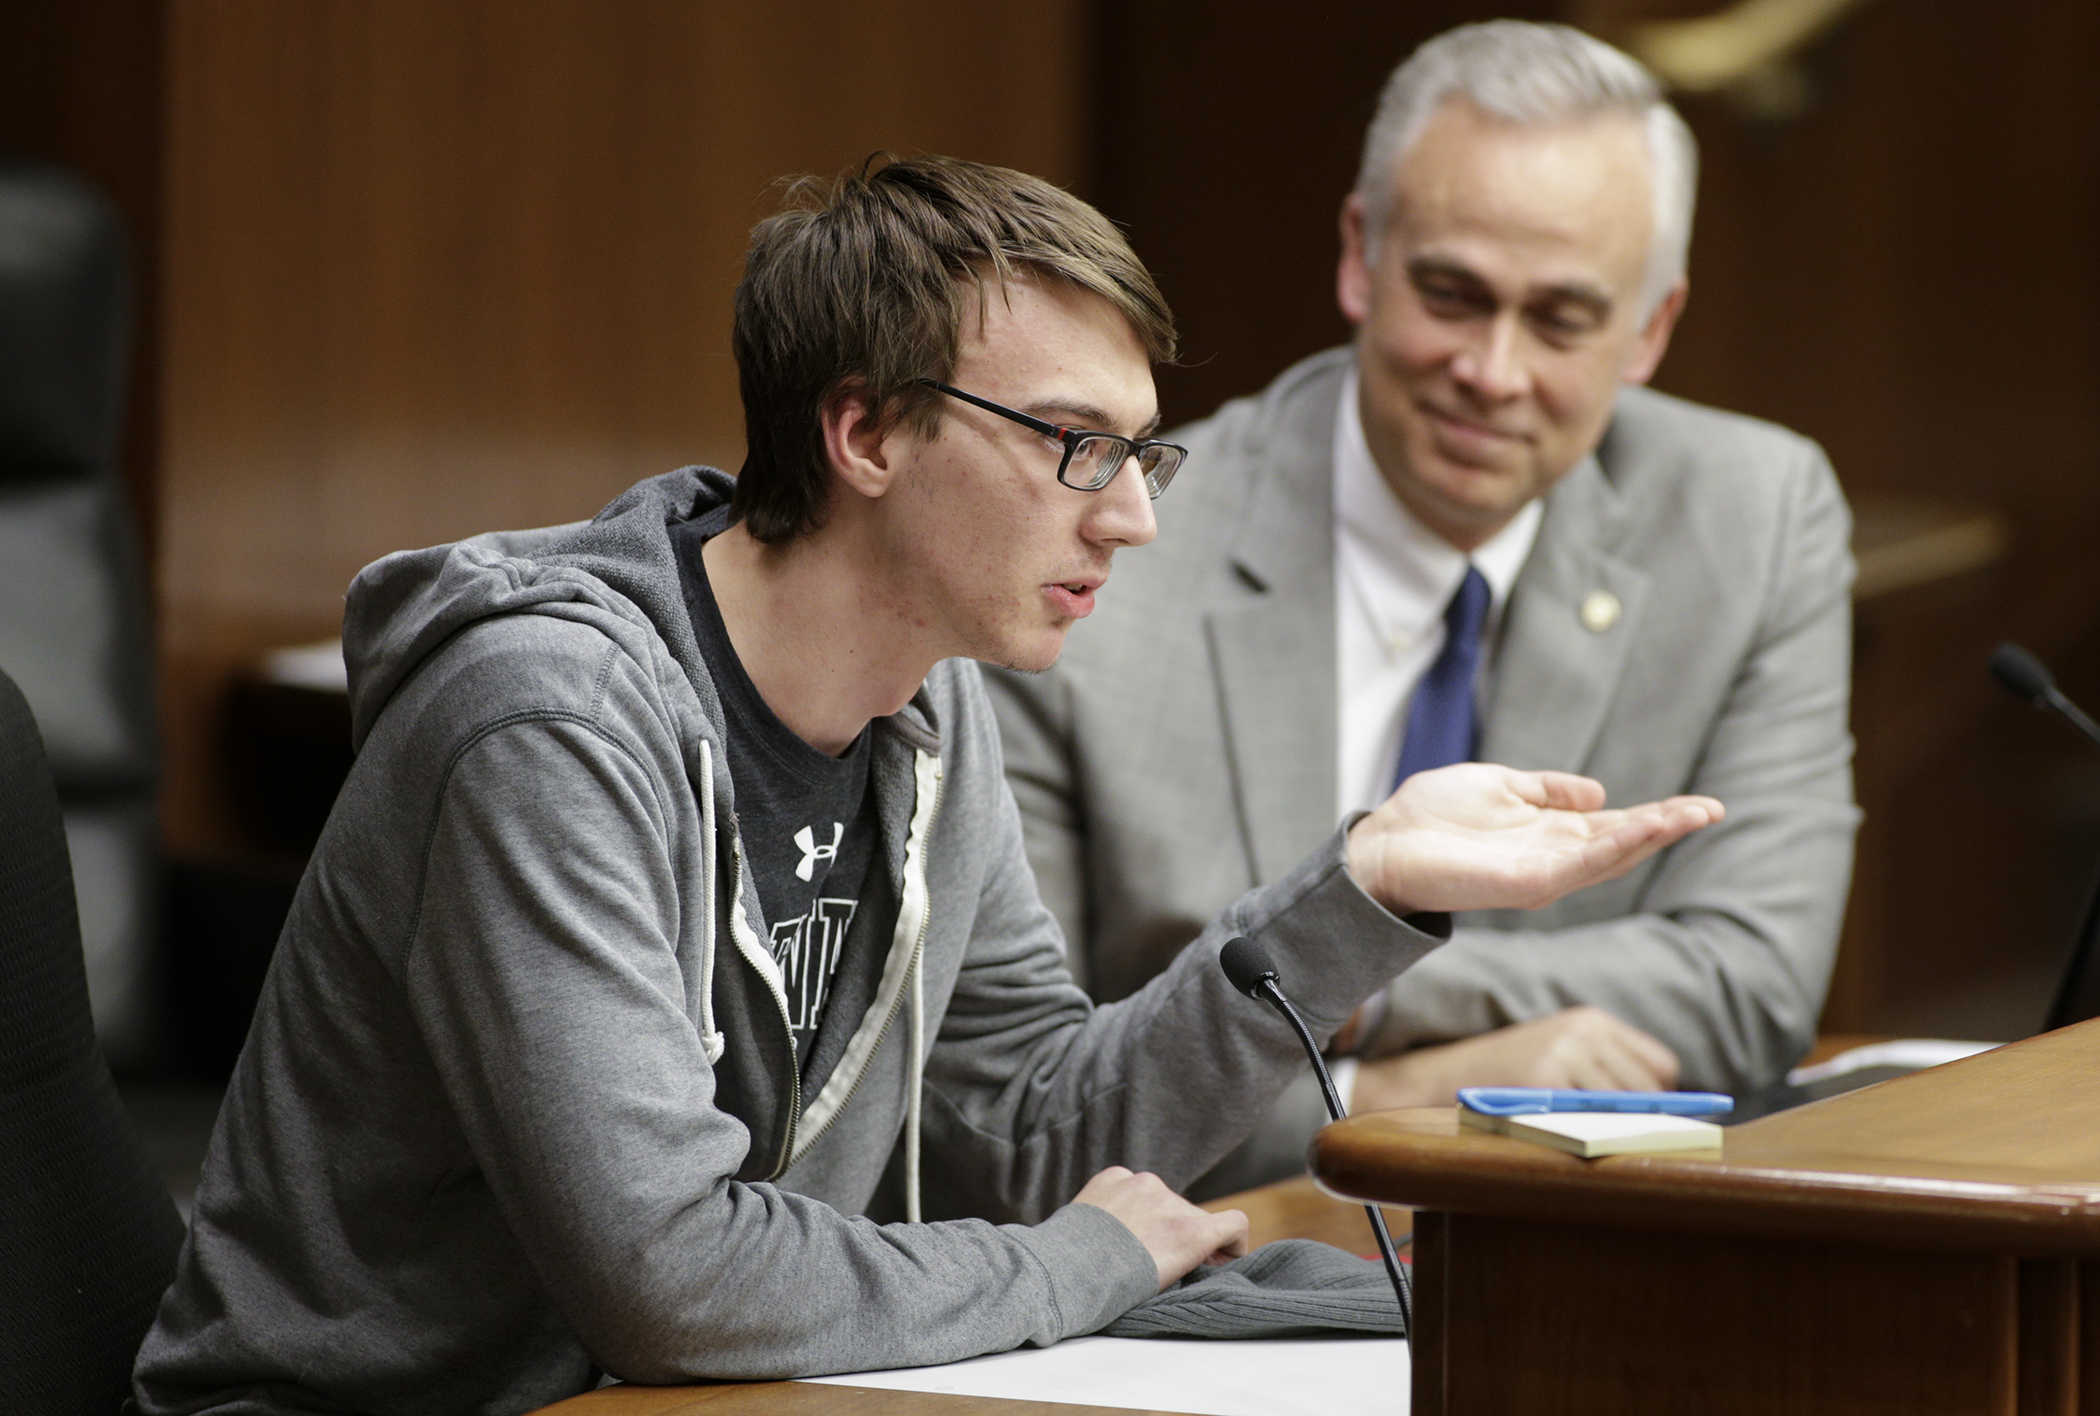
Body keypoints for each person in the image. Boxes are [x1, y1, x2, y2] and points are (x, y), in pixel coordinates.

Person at [132, 156, 1720, 1415]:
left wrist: (1364, 893)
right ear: (867, 431)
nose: (1133, 520)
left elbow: (1022, 1130)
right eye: (1075, 447)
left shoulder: (924, 709)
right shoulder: (544, 721)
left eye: (1144, 455)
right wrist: (1075, 1263)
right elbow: (668, 1270)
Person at [986, 21, 1858, 1196]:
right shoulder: (1112, 549)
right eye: (1452, 294)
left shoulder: (1754, 515)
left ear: (1650, 329)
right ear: (1360, 255)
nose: (1492, 372)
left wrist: (1362, 985)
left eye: (1560, 320)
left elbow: (1749, 980)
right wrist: (1395, 1099)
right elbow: (1020, 1105)